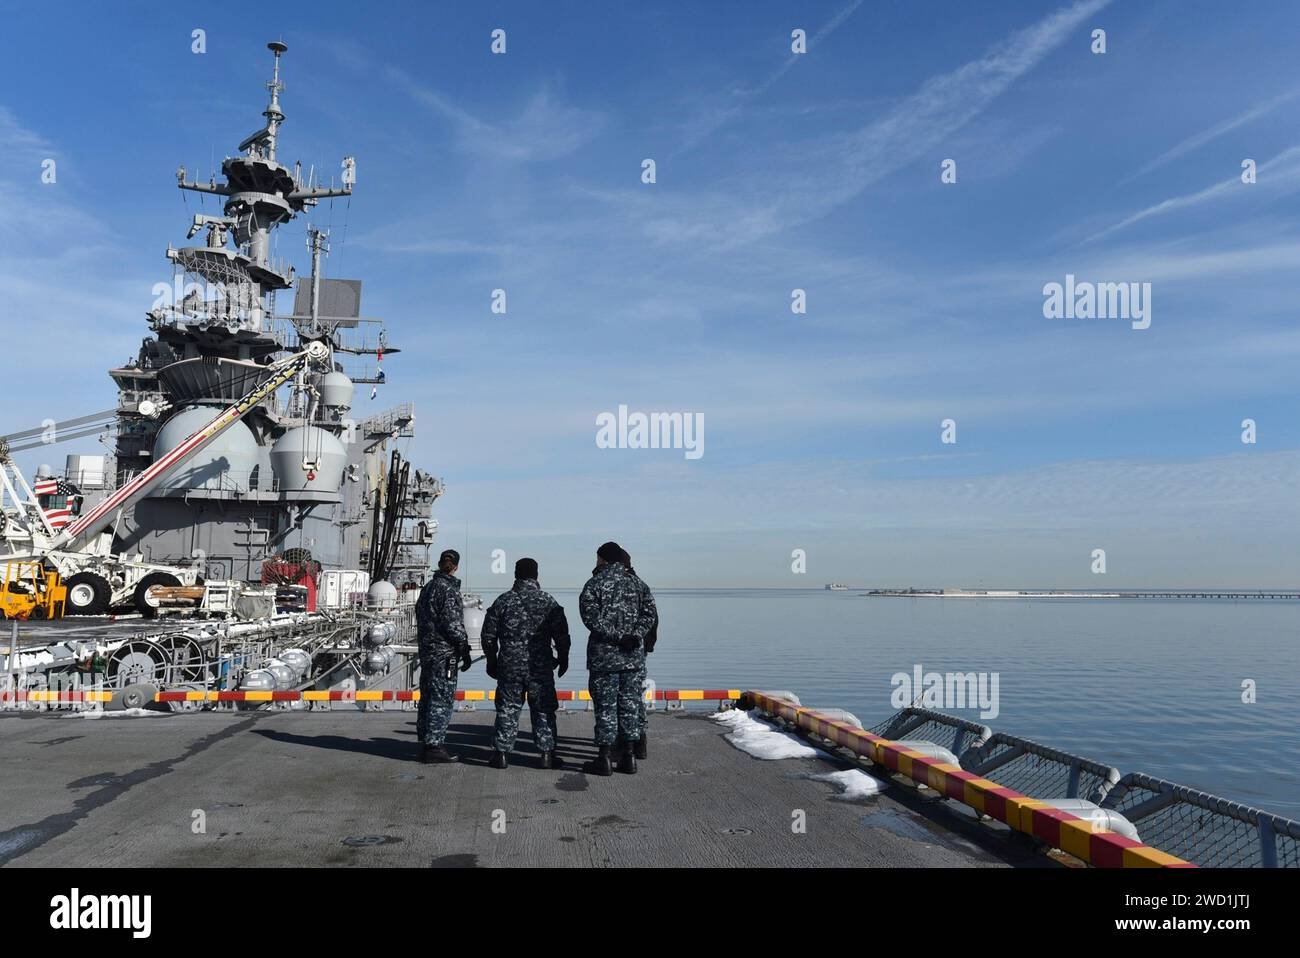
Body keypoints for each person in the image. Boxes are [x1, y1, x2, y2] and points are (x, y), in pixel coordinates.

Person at [481, 557, 570, 769]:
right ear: (536, 575)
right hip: (540, 667)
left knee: (508, 708)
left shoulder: (503, 601)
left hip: (509, 666)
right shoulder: (548, 602)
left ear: (515, 575)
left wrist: (492, 659)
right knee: (543, 709)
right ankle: (547, 754)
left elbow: (488, 636)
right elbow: (562, 634)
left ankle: (501, 754)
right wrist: (564, 657)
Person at [580, 541, 657, 775]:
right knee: (630, 705)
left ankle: (604, 759)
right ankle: (629, 757)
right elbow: (649, 614)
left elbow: (590, 618)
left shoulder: (594, 584)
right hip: (632, 658)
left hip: (605, 658)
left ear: (603, 559)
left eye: (598, 558)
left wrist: (617, 636)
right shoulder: (639, 585)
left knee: (605, 706)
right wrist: (635, 635)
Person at [414, 549, 473, 763]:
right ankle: (435, 746)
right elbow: (452, 622)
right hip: (444, 653)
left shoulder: (428, 587)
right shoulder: (447, 590)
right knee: (442, 697)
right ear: (456, 566)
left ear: (440, 564)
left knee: (427, 696)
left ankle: (425, 742)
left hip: (428, 651)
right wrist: (463, 646)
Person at [618, 549, 658, 761]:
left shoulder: (621, 584)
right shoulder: (640, 585)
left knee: (622, 700)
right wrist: (646, 645)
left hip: (626, 651)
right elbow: (652, 617)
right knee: (635, 698)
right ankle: (639, 741)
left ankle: (627, 743)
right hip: (638, 650)